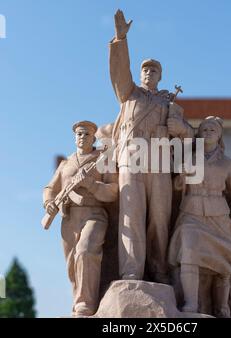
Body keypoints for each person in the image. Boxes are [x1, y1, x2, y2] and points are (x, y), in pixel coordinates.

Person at [109, 9, 193, 283]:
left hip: (159, 163)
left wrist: (179, 130)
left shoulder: (170, 105)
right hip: (131, 161)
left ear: (160, 76)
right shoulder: (129, 94)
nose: (147, 72)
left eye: (153, 69)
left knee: (159, 217)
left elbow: (188, 137)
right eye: (144, 69)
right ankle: (131, 271)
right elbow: (120, 72)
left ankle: (158, 270)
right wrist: (121, 40)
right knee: (130, 217)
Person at [168, 116, 231, 317]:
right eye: (204, 129)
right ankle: (190, 303)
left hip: (219, 216)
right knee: (189, 250)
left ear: (220, 135)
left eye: (213, 129)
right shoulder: (188, 158)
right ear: (198, 134)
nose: (208, 132)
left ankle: (221, 307)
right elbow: (177, 187)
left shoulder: (227, 163)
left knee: (225, 259)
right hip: (191, 212)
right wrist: (183, 177)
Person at [43, 121, 118, 316]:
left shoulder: (103, 159)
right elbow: (50, 188)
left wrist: (91, 184)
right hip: (69, 217)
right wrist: (49, 202)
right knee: (72, 264)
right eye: (79, 134)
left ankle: (86, 304)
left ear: (94, 138)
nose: (82, 137)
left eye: (86, 134)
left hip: (94, 213)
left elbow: (113, 191)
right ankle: (78, 301)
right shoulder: (66, 163)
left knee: (86, 252)